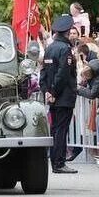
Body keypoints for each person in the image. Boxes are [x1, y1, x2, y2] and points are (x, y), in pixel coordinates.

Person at [39, 14, 79, 174]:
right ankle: (59, 163)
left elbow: (43, 72)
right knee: (61, 130)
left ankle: (56, 161)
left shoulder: (50, 48)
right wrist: (54, 92)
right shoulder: (65, 49)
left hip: (53, 95)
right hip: (63, 96)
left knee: (56, 129)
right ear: (68, 31)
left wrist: (47, 91)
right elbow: (63, 74)